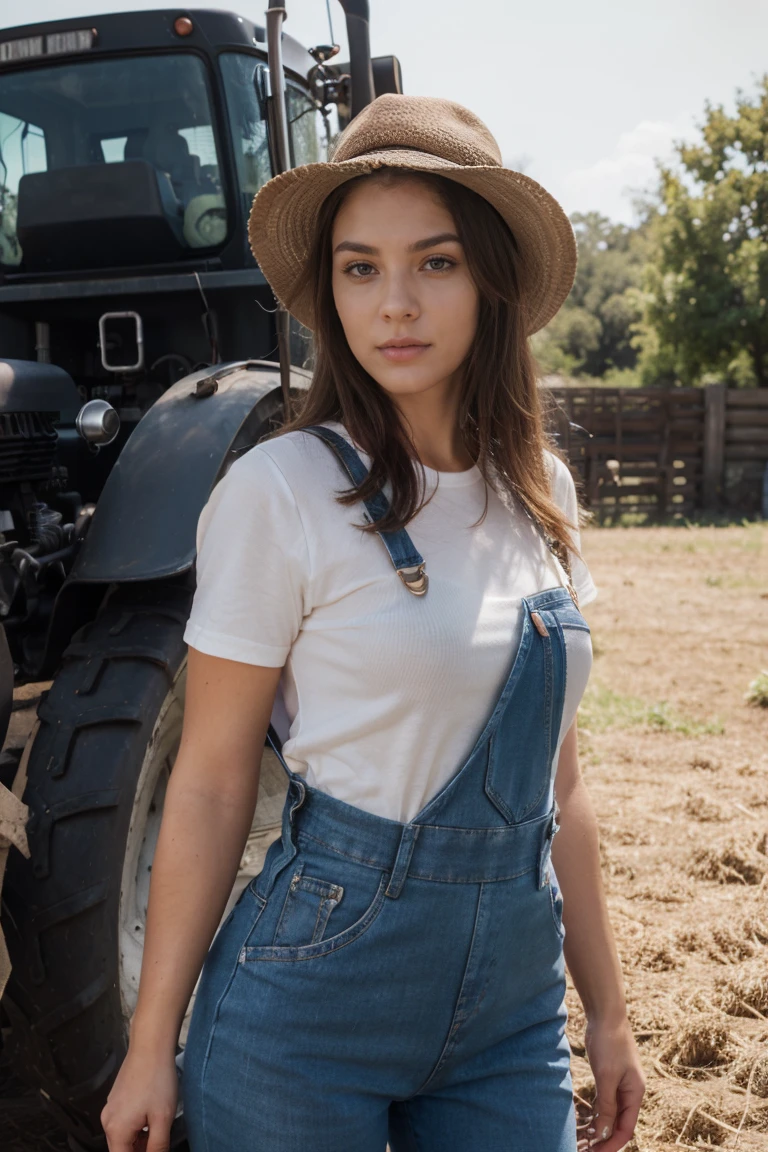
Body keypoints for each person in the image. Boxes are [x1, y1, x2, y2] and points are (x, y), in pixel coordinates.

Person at [100, 94, 646, 1152]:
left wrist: (609, 1014)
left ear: (490, 277)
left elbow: (561, 791)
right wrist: (146, 1043)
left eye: (434, 262)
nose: (394, 302)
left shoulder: (545, 494)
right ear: (331, 292)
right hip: (306, 1009)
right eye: (360, 267)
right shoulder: (281, 492)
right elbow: (211, 782)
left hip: (511, 1015)